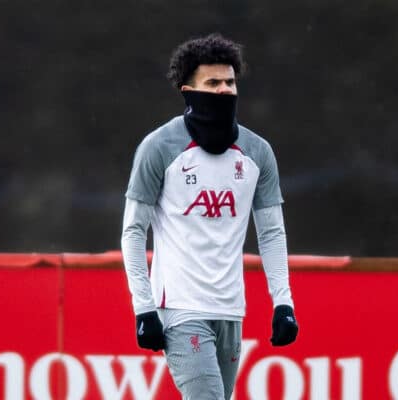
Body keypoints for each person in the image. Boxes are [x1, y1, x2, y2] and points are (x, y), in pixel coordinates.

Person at [121, 33, 298, 400]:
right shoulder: (158, 148)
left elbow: (272, 235)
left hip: (231, 308)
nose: (223, 90)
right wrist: (144, 307)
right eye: (212, 82)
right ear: (189, 90)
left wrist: (283, 302)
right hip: (180, 308)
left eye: (230, 82)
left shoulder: (257, 153)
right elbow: (133, 231)